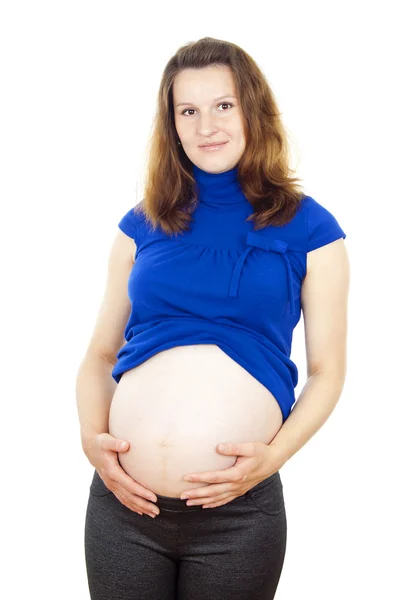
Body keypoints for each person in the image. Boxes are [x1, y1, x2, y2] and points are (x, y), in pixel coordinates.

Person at [76, 36, 350, 600]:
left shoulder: (312, 230)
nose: (207, 126)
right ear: (172, 124)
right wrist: (90, 437)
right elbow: (101, 354)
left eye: (223, 105)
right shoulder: (141, 224)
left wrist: (272, 458)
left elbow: (328, 371)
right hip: (124, 507)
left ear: (252, 108)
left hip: (238, 515)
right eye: (188, 111)